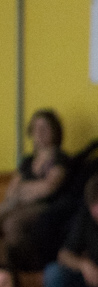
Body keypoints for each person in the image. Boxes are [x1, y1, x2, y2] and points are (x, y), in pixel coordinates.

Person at [0, 109, 71, 269]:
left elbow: (48, 188)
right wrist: (29, 190)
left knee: (12, 224)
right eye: (36, 128)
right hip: (17, 205)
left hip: (47, 208)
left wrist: (22, 191)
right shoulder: (27, 161)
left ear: (55, 131)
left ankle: (22, 269)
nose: (39, 132)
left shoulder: (60, 158)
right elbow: (12, 191)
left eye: (45, 128)